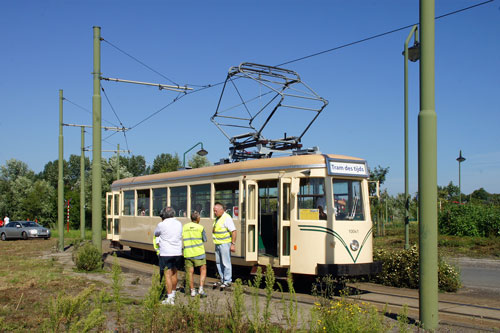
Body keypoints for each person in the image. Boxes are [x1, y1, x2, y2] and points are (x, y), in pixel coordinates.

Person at [154, 207, 183, 305]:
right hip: (177, 252)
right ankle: (173, 294)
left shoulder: (161, 224)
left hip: (166, 252)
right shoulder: (179, 223)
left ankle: (169, 298)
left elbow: (156, 233)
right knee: (175, 273)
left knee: (167, 274)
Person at [212, 202, 237, 290]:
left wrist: (233, 244)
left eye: (216, 211)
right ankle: (222, 279)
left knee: (226, 262)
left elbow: (234, 231)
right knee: (219, 262)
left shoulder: (226, 218)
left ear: (221, 210)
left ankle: (227, 280)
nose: (214, 213)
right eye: (214, 211)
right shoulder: (218, 218)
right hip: (218, 243)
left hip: (225, 244)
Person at [183, 211, 208, 297]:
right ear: (198, 219)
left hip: (188, 253)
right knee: (203, 269)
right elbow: (204, 239)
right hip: (199, 253)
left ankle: (192, 291)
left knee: (190, 272)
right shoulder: (200, 227)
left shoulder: (185, 227)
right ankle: (201, 289)